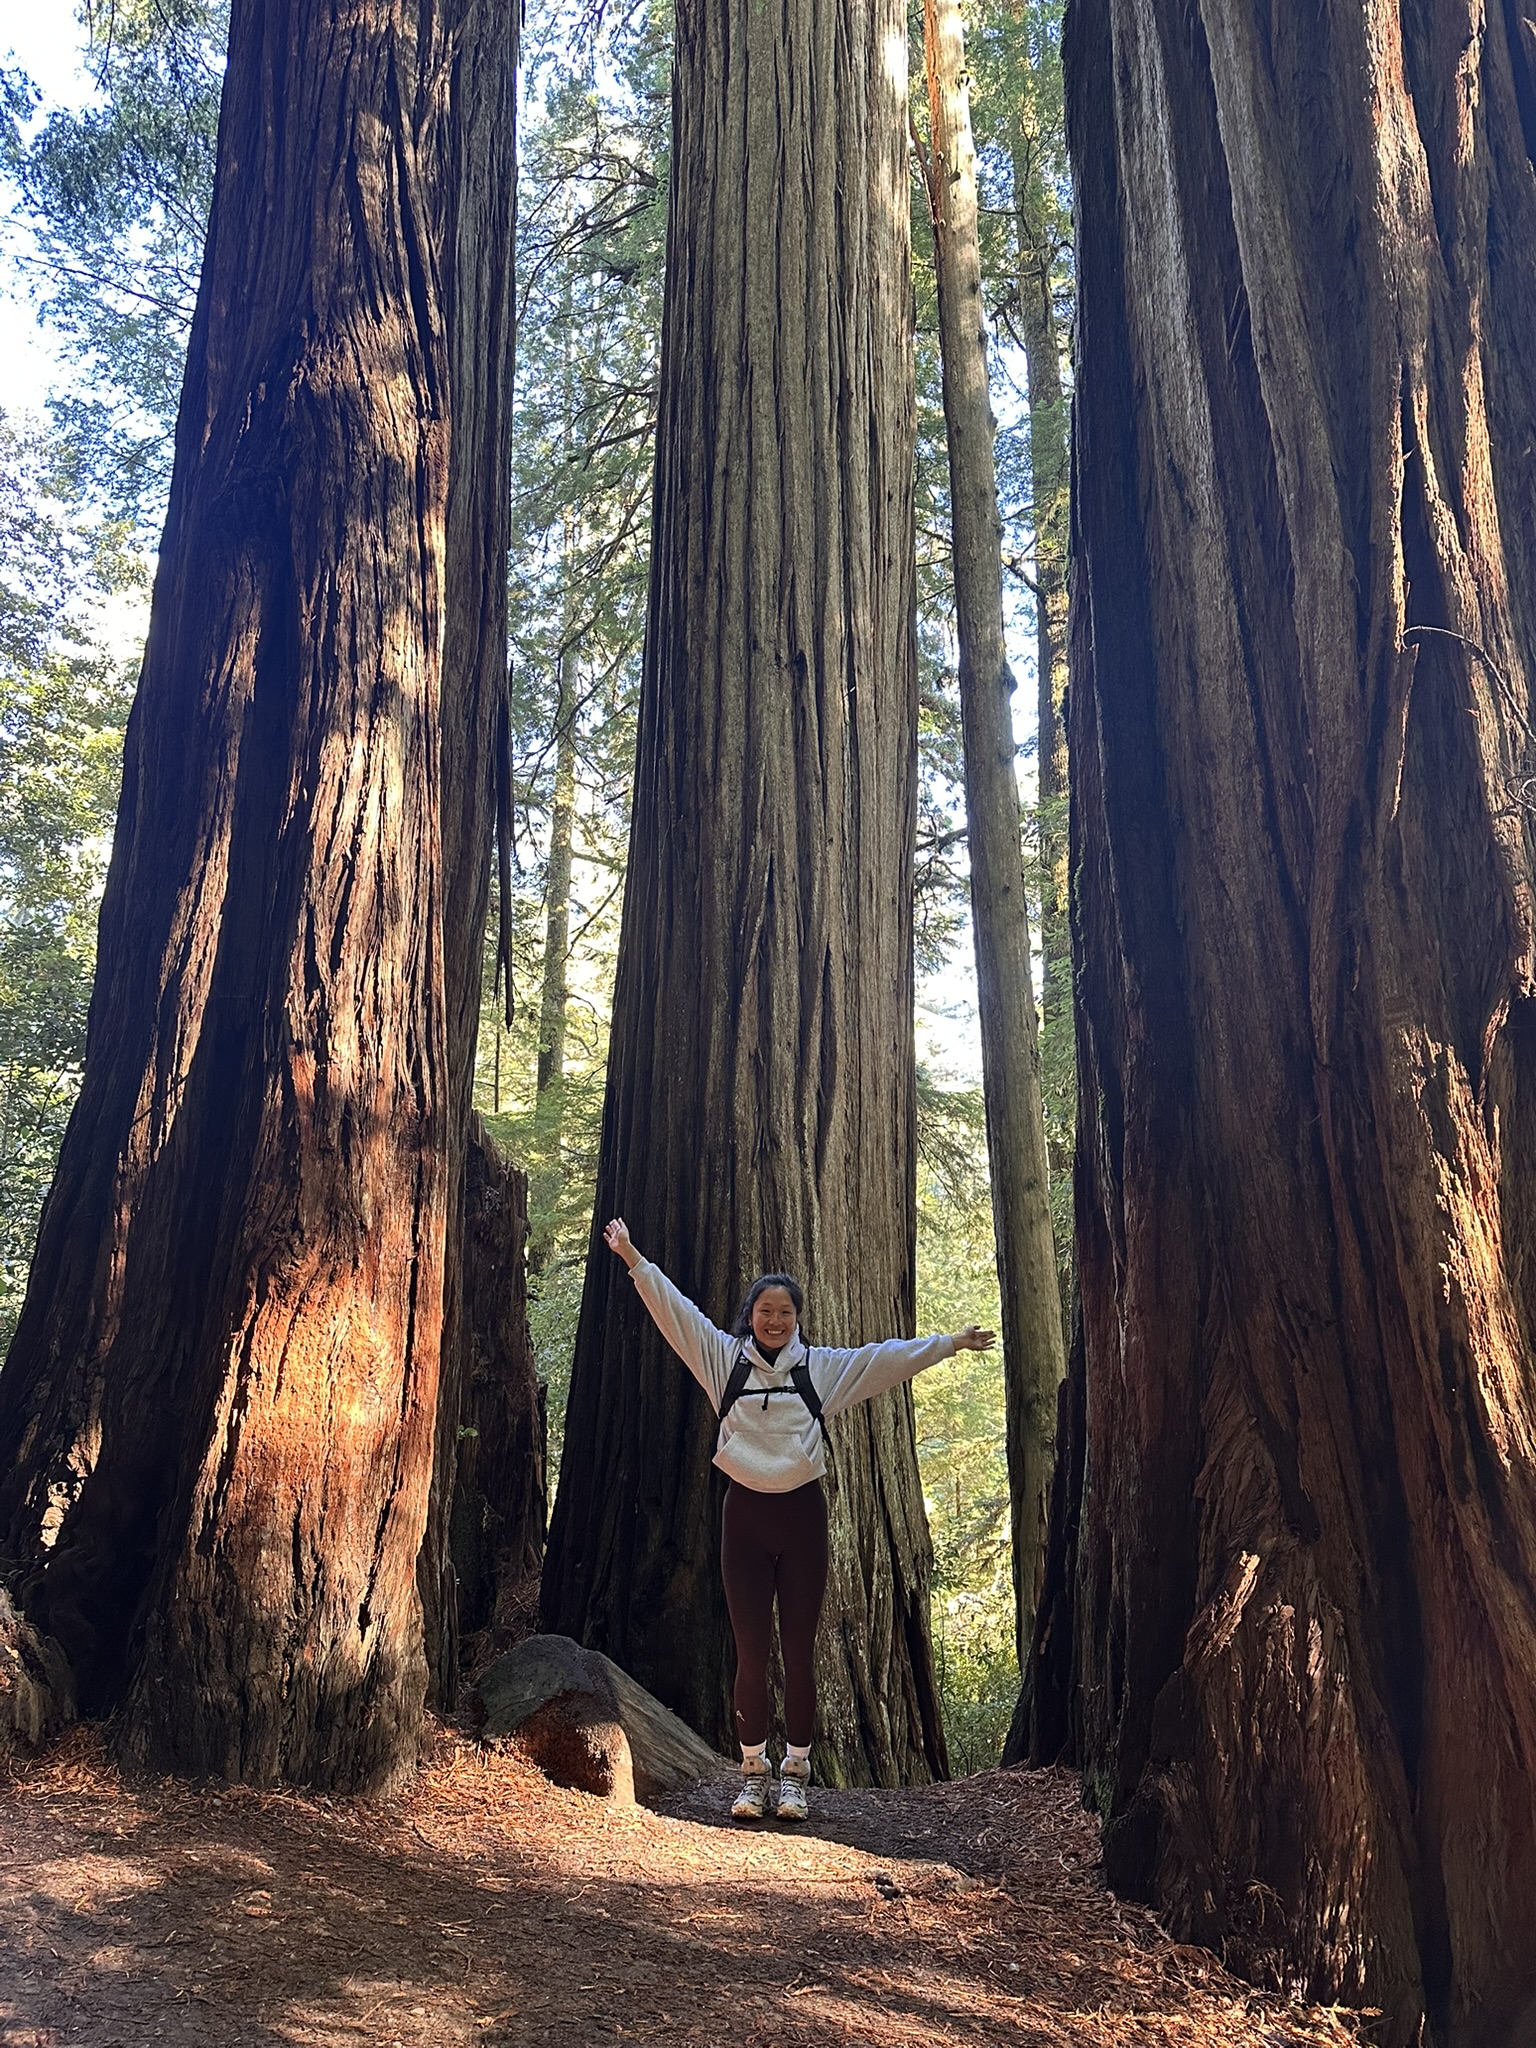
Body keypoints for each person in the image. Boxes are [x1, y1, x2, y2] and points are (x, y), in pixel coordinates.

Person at [601, 1216, 994, 1824]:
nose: (775, 1321)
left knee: (800, 1652)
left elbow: (882, 1360)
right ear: (750, 1316)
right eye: (765, 1311)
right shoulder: (722, 1361)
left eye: (785, 1312)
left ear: (797, 1319)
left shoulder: (819, 1371)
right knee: (751, 1653)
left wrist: (948, 1343)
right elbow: (674, 1311)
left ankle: (796, 1778)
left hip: (804, 1519)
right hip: (744, 1521)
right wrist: (631, 1255)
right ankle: (753, 1772)